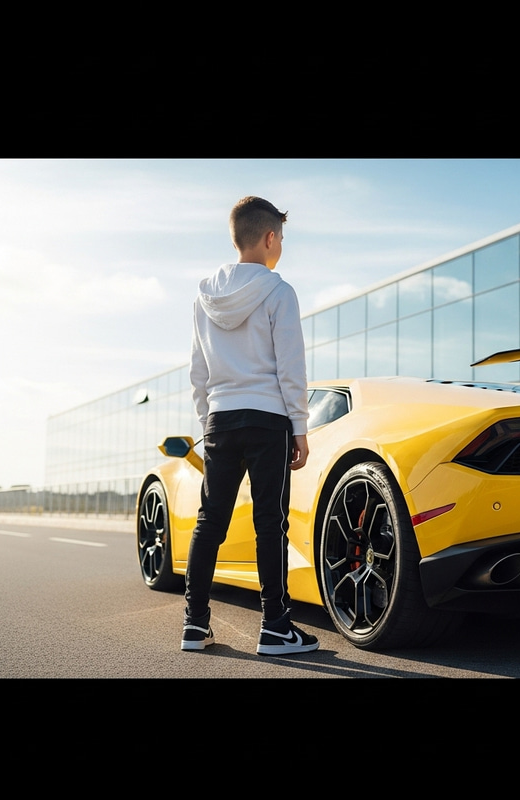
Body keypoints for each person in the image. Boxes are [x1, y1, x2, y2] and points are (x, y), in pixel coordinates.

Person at [181, 196, 318, 656]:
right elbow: (290, 368)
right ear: (270, 237)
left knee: (209, 521)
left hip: (220, 418)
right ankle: (276, 627)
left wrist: (208, 422)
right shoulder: (279, 291)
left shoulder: (204, 296)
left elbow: (198, 372)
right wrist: (299, 426)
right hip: (267, 419)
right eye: (282, 238)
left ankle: (195, 625)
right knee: (269, 523)